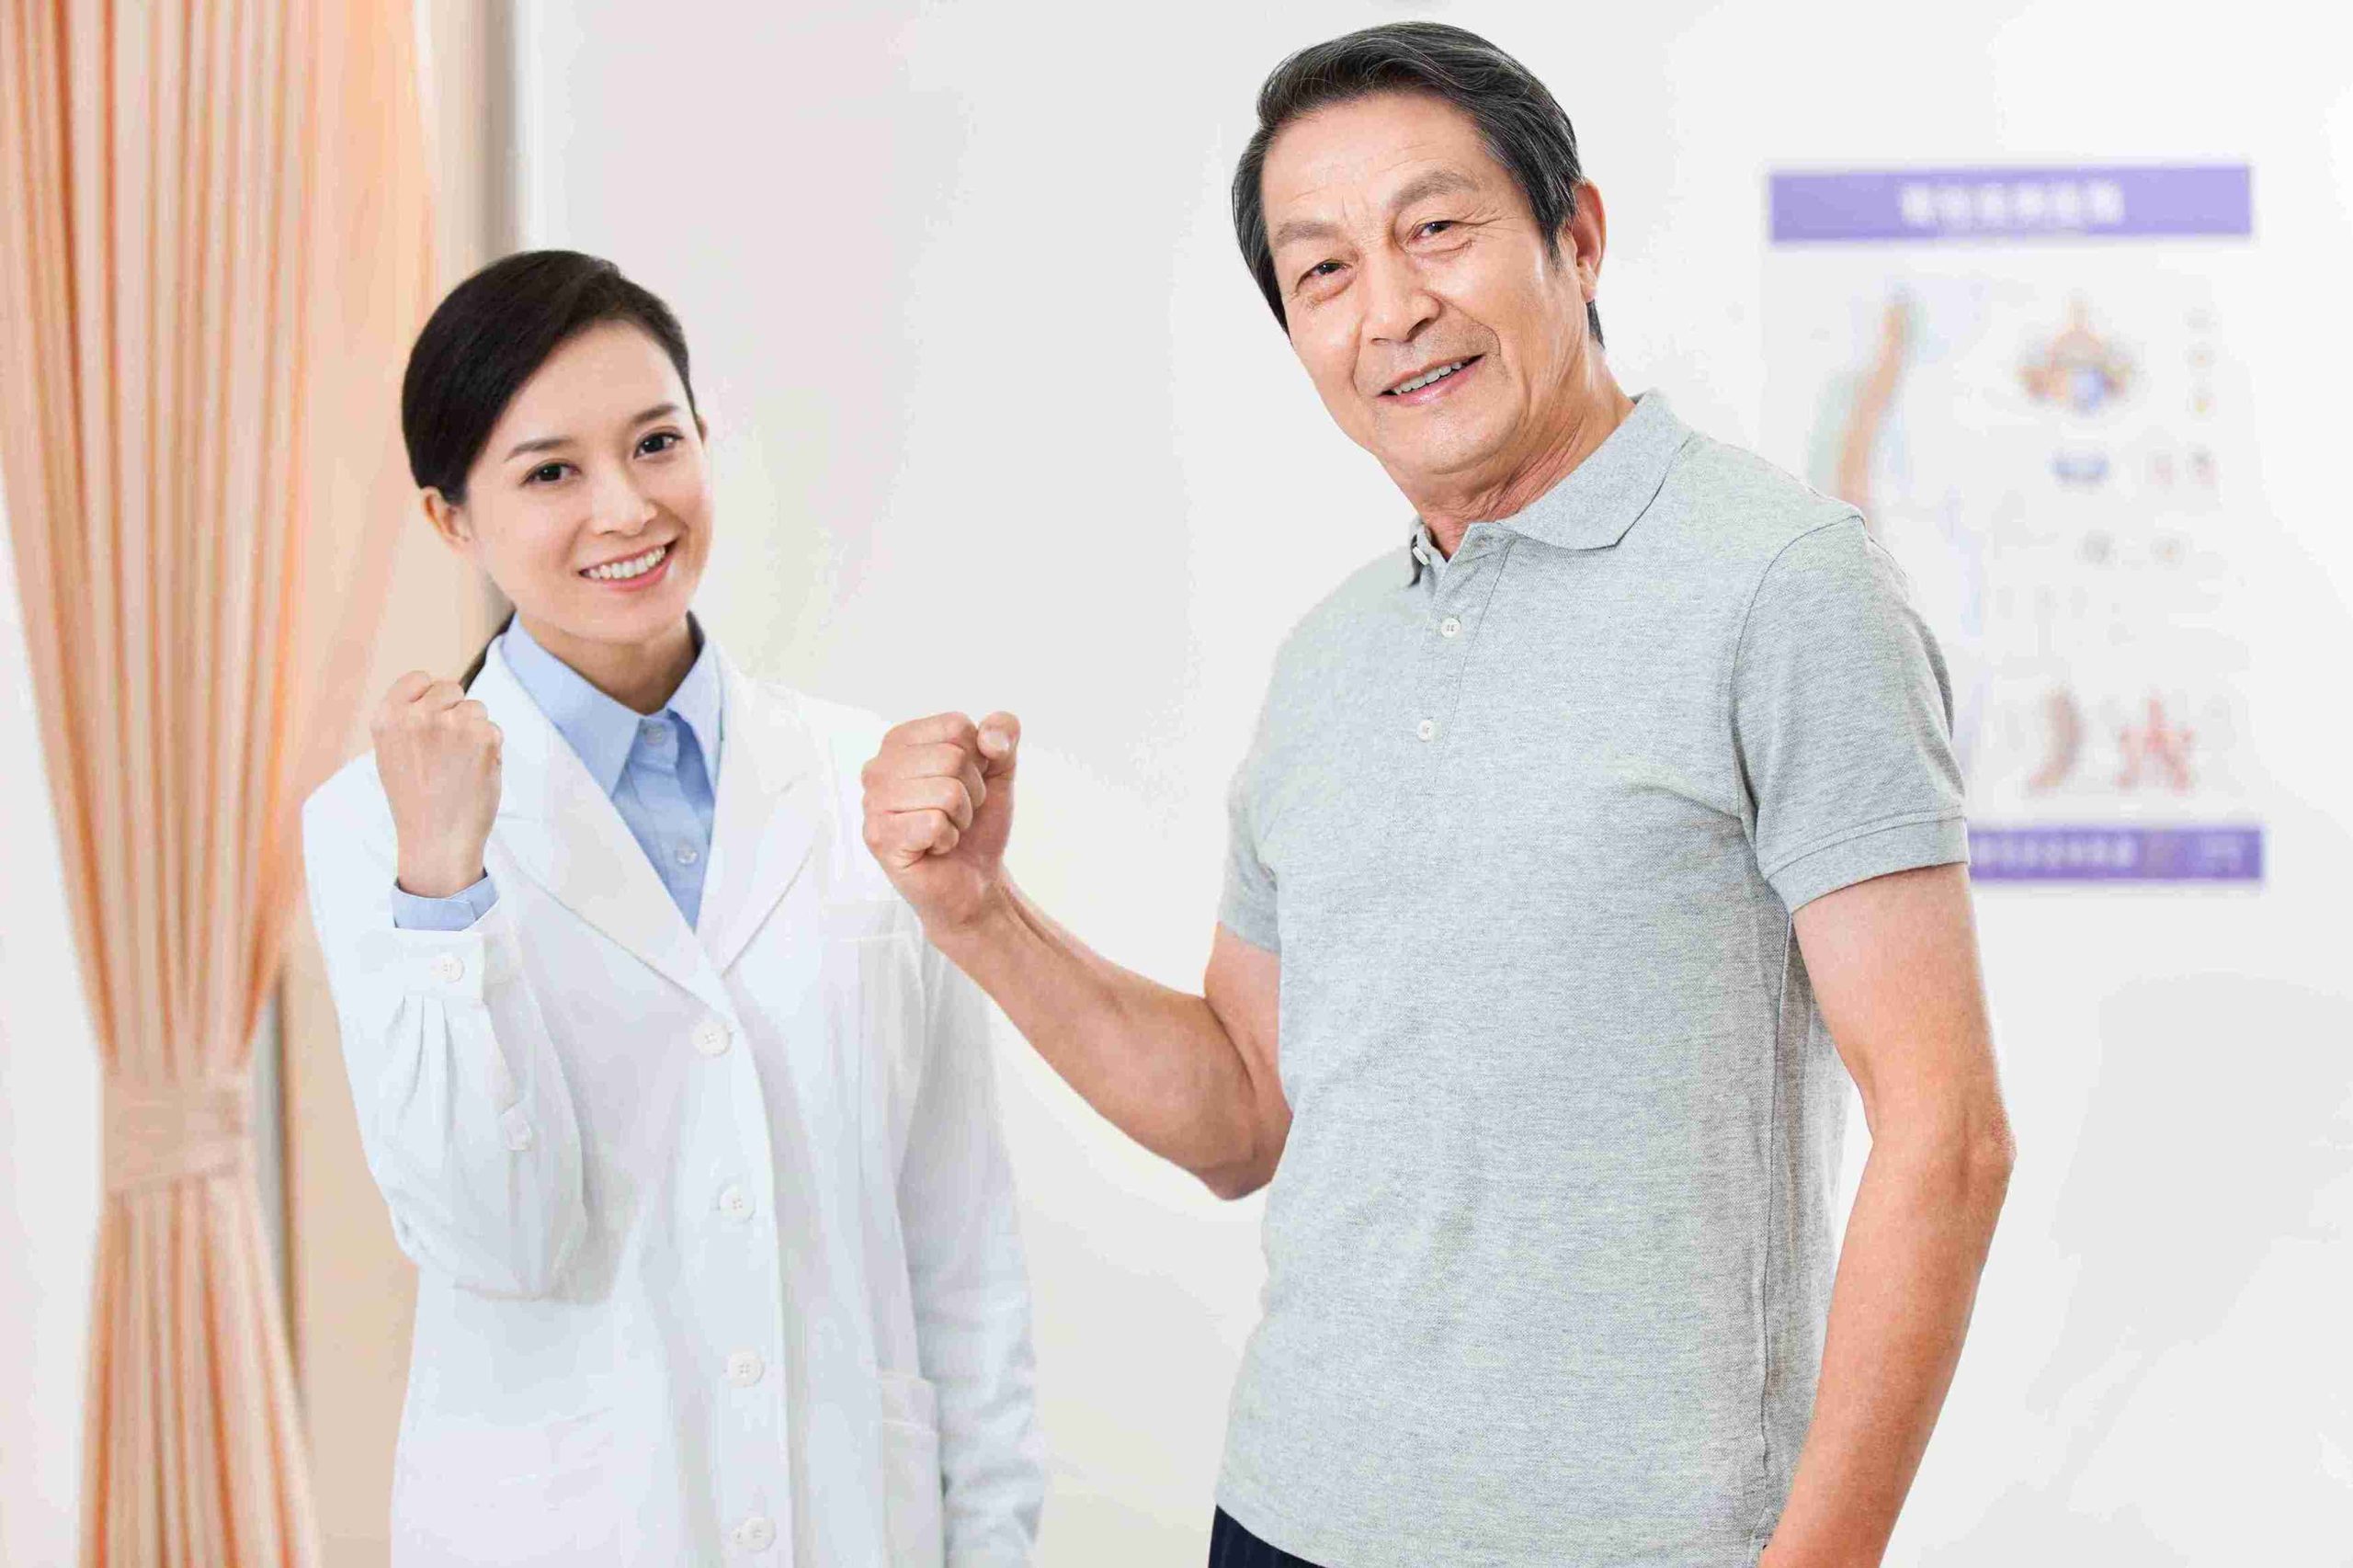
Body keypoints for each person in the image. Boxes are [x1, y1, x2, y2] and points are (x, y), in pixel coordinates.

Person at [858, 23, 2013, 1568]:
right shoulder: (1330, 659)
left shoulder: (1784, 586)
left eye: (1438, 229)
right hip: (1288, 1515)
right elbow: (1241, 1113)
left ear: (1576, 236)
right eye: (1323, 270)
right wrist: (976, 911)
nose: (1392, 309)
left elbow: (1944, 1132)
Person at [303, 250, 1041, 1567]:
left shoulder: (870, 786)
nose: (626, 506)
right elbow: (492, 1234)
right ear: (449, 518)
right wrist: (446, 892)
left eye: (657, 443)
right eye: (550, 472)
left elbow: (961, 1242)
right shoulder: (377, 827)